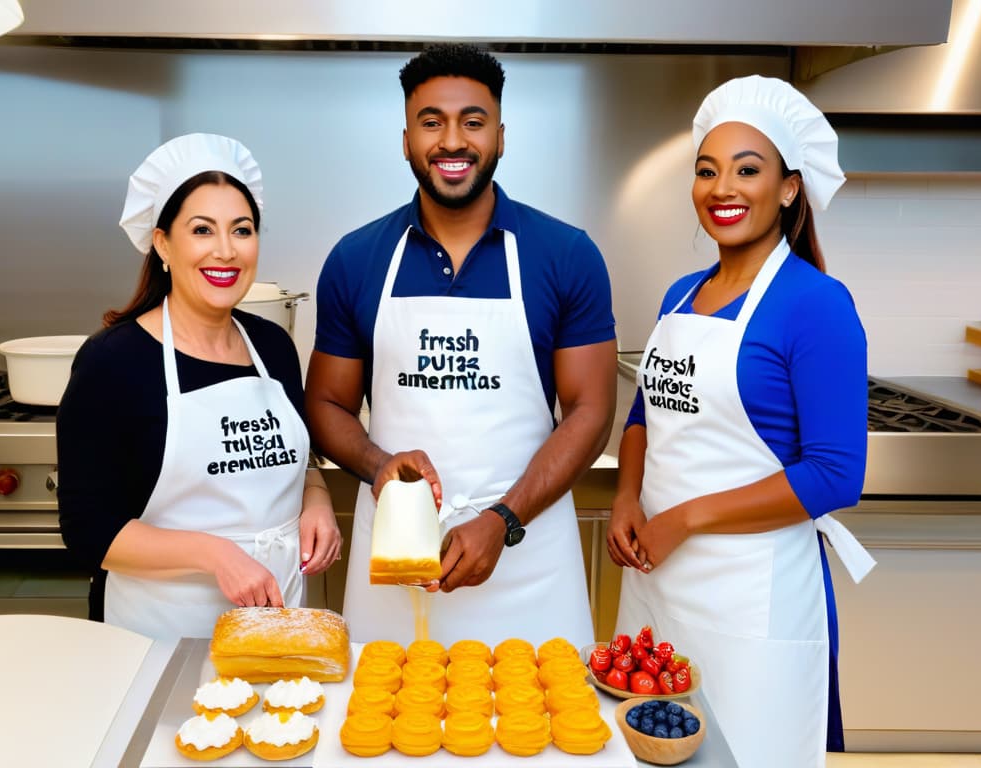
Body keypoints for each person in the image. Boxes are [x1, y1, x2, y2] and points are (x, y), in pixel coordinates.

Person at [306, 44, 617, 648]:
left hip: (528, 558)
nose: (452, 141)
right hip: (397, 559)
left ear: (500, 136)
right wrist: (377, 465)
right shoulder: (355, 259)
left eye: (472, 122)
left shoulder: (566, 255)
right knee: (385, 730)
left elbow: (592, 412)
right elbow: (325, 404)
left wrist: (503, 520)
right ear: (405, 140)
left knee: (540, 733)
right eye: (432, 122)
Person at [607, 75, 876, 768]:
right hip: (657, 585)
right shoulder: (681, 295)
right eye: (707, 170)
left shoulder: (816, 305)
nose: (722, 187)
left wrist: (686, 518)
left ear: (789, 188)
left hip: (751, 595)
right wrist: (628, 497)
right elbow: (644, 414)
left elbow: (835, 476)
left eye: (746, 170)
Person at [57, 133, 341, 640]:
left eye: (243, 229)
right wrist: (215, 555)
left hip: (274, 631)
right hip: (156, 634)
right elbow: (89, 531)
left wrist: (316, 503)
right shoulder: (113, 362)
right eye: (203, 230)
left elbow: (301, 464)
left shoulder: (273, 346)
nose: (226, 251)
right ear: (163, 243)